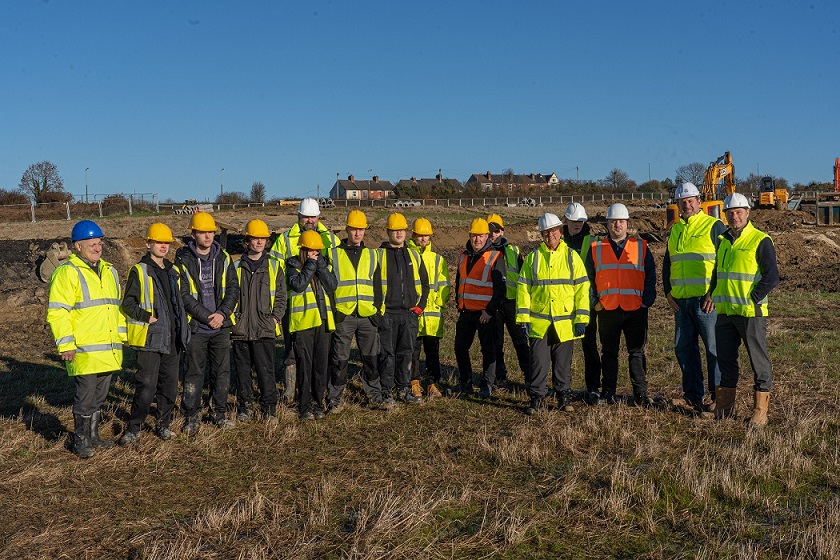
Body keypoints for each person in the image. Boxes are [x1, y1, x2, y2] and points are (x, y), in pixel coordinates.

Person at [47, 220, 126, 458]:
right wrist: (66, 344)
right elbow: (58, 311)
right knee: (85, 395)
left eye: (99, 243)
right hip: (83, 349)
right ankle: (80, 441)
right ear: (78, 246)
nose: (97, 247)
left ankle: (93, 437)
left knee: (99, 396)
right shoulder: (67, 273)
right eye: (91, 244)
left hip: (108, 348)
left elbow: (116, 308)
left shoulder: (110, 271)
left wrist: (121, 337)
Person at [705, 193, 779, 427]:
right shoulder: (724, 240)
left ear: (747, 213)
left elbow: (772, 277)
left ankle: (760, 410)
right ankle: (724, 408)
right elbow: (719, 273)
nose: (734, 216)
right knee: (726, 359)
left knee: (758, 360)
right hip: (725, 312)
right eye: (730, 213)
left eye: (738, 212)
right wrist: (712, 293)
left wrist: (753, 298)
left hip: (749, 313)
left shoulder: (760, 239)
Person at [119, 223, 190, 445]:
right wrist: (146, 316)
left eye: (166, 243)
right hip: (150, 338)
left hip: (172, 338)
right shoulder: (139, 271)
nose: (163, 246)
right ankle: (134, 427)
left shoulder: (173, 270)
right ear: (148, 243)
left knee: (169, 385)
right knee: (146, 385)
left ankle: (163, 424)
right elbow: (127, 304)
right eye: (158, 242)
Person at [517, 213, 590, 415]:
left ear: (560, 231)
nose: (551, 235)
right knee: (538, 363)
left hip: (565, 322)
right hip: (539, 323)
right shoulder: (533, 257)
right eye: (546, 232)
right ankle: (537, 399)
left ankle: (563, 396)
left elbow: (582, 288)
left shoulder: (571, 257)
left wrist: (582, 318)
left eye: (554, 231)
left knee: (562, 364)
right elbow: (523, 290)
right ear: (541, 234)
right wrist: (523, 319)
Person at [664, 182, 727, 415]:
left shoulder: (714, 226)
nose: (687, 205)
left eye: (691, 200)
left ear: (699, 202)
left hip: (705, 301)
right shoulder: (676, 229)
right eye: (683, 202)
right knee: (684, 348)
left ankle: (718, 396)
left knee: (713, 349)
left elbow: (724, 261)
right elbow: (668, 262)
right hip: (681, 302)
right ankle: (692, 396)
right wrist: (667, 292)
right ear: (678, 205)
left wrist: (714, 292)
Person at [174, 212, 240, 433]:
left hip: (220, 326)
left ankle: (218, 413)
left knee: (221, 372)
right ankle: (191, 416)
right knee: (194, 372)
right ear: (193, 234)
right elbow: (183, 294)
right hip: (197, 326)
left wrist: (222, 314)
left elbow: (233, 288)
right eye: (203, 232)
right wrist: (206, 316)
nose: (208, 236)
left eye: (211, 231)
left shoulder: (224, 257)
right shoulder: (182, 260)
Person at [269, 197, 339, 405]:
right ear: (298, 216)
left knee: (321, 352)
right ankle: (292, 392)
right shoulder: (285, 239)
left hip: (322, 303)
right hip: (295, 304)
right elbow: (275, 272)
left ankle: (318, 392)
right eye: (305, 217)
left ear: (319, 217)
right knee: (291, 350)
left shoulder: (330, 239)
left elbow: (335, 271)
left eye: (312, 217)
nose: (309, 220)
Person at [584, 203, 656, 405]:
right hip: (607, 310)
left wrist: (647, 300)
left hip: (636, 309)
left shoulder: (641, 246)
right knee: (609, 353)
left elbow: (650, 274)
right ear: (607, 224)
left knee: (636, 352)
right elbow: (588, 278)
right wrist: (594, 302)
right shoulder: (596, 248)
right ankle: (608, 392)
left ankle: (640, 393)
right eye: (613, 221)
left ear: (627, 224)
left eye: (621, 221)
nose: (617, 225)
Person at [325, 210, 385, 411]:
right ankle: (335, 398)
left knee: (371, 358)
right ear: (347, 229)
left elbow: (378, 285)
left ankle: (374, 395)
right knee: (340, 358)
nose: (358, 233)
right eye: (354, 229)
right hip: (344, 315)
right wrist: (334, 311)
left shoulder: (372, 254)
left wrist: (377, 310)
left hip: (368, 315)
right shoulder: (334, 253)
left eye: (361, 229)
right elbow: (328, 287)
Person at [232, 219, 287, 422]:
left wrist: (275, 318)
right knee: (243, 372)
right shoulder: (235, 266)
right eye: (255, 238)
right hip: (241, 328)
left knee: (266, 371)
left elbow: (281, 296)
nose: (259, 242)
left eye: (263, 238)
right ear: (247, 240)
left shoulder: (274, 266)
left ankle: (269, 408)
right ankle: (244, 407)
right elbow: (228, 295)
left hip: (265, 328)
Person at [377, 212, 429, 405]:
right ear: (388, 232)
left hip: (409, 314)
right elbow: (374, 285)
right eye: (395, 230)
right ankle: (386, 391)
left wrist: (420, 307)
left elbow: (425, 283)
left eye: (402, 230)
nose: (399, 233)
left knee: (406, 353)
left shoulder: (414, 255)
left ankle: (404, 389)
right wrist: (378, 311)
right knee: (387, 354)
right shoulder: (379, 255)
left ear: (406, 232)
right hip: (387, 314)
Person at [285, 230, 337, 420]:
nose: (316, 254)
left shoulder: (322, 264)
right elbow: (298, 285)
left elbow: (332, 285)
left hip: (323, 322)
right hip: (304, 323)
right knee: (305, 366)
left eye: (318, 251)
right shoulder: (292, 265)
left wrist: (320, 266)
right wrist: (311, 265)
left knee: (321, 365)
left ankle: (318, 403)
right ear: (304, 250)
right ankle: (304, 406)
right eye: (312, 251)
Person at [454, 218, 506, 398]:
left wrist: (489, 311)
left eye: (481, 235)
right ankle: (465, 383)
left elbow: (500, 290)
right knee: (460, 348)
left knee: (488, 350)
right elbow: (459, 281)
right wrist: (458, 303)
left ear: (487, 236)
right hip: (466, 311)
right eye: (474, 235)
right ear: (470, 235)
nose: (477, 239)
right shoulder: (463, 255)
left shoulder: (495, 257)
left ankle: (486, 385)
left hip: (485, 314)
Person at [562, 202, 602, 404]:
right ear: (565, 220)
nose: (577, 224)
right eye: (573, 221)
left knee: (590, 346)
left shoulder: (593, 242)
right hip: (563, 303)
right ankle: (562, 388)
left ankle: (593, 387)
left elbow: (598, 274)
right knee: (562, 348)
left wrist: (595, 300)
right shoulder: (558, 242)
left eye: (580, 221)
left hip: (587, 303)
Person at [408, 217, 451, 399]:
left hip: (432, 313)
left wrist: (439, 303)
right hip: (414, 312)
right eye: (420, 236)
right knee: (413, 350)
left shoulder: (437, 259)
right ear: (414, 236)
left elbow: (445, 284)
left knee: (432, 351)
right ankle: (414, 382)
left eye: (426, 236)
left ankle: (433, 383)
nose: (423, 239)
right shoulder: (408, 256)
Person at [487, 213, 530, 390]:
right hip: (494, 304)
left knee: (520, 341)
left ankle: (529, 376)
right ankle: (500, 376)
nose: (493, 235)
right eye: (490, 232)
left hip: (513, 302)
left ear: (503, 231)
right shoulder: (485, 253)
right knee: (496, 342)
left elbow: (524, 277)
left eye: (496, 231)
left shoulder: (514, 251)